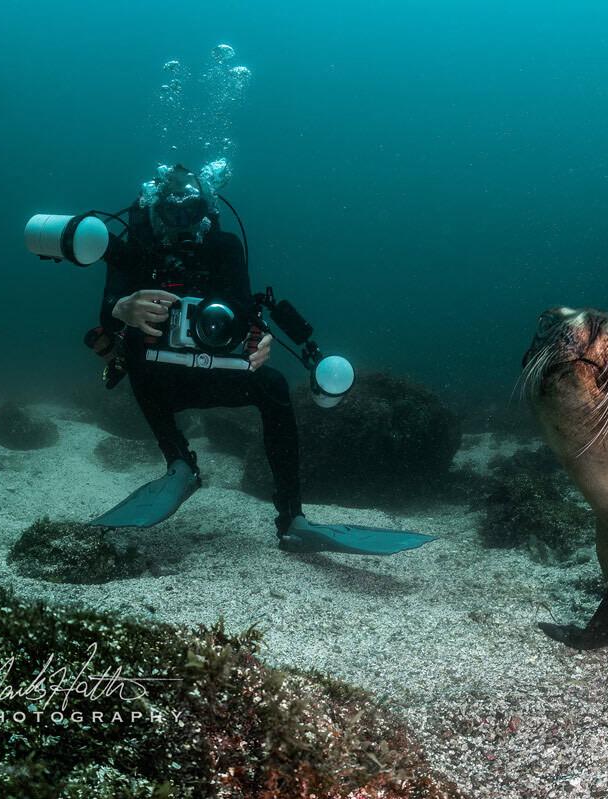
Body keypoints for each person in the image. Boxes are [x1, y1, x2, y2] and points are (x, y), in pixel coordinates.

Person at [89, 164, 432, 556]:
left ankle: (293, 519)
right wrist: (122, 308)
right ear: (154, 211)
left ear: (206, 211)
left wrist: (258, 337)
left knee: (273, 386)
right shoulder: (133, 249)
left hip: (214, 370)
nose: (182, 223)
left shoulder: (224, 247)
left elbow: (242, 308)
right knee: (136, 354)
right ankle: (180, 463)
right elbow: (107, 314)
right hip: (159, 378)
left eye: (191, 211)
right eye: (171, 212)